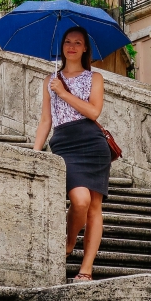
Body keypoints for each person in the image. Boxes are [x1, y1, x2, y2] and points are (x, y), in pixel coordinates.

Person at [33, 26, 111, 282]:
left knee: (94, 207)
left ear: (85, 48)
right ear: (62, 46)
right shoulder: (49, 80)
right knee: (79, 200)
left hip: (92, 142)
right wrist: (35, 154)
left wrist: (64, 93)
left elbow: (93, 112)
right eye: (68, 42)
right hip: (65, 143)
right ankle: (69, 241)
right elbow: (46, 120)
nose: (72, 46)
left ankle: (86, 269)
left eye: (78, 42)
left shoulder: (94, 78)